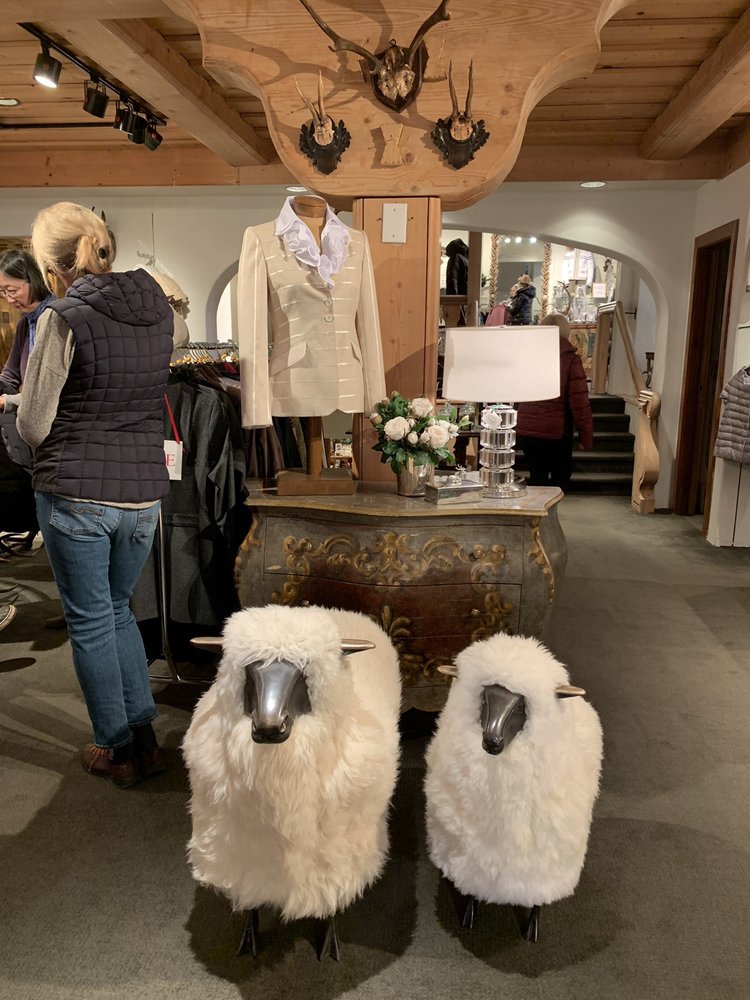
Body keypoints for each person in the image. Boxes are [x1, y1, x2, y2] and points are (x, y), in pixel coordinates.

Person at [17, 202, 174, 788]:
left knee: (88, 622)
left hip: (76, 493)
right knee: (116, 611)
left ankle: (116, 747)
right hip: (143, 497)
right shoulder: (158, 306)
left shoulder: (61, 318)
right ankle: (144, 737)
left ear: (51, 268)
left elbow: (34, 424)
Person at [515, 312, 594, 491]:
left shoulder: (528, 357)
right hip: (556, 431)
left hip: (529, 429)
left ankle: (538, 509)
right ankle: (552, 509)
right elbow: (580, 403)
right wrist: (586, 435)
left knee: (537, 478)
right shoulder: (570, 360)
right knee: (560, 480)